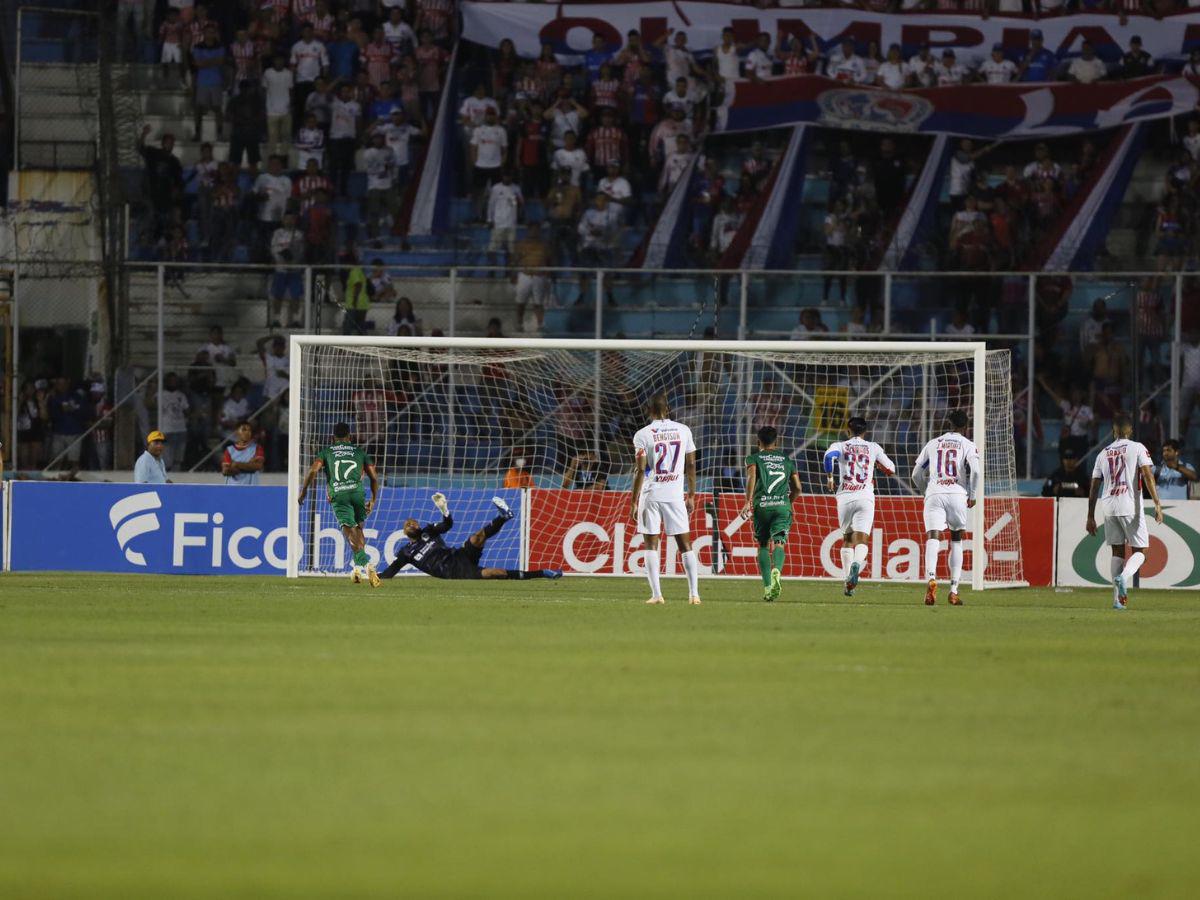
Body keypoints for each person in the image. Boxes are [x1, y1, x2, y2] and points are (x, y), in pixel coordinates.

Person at [379, 493, 561, 581]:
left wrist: (444, 509)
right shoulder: (406, 552)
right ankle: (543, 573)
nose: (411, 524)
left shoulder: (428, 531)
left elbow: (448, 525)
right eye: (408, 524)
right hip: (453, 572)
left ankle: (504, 517)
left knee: (477, 537)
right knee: (496, 573)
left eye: (413, 523)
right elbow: (390, 572)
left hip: (458, 556)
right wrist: (370, 577)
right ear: (405, 532)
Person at [1087, 414, 1165, 609]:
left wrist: (1090, 516)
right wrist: (1157, 503)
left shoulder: (1102, 453)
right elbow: (1147, 474)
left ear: (1114, 431)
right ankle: (1123, 578)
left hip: (1108, 506)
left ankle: (1117, 601)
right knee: (1141, 551)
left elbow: (1094, 486)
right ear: (1130, 430)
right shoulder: (1137, 447)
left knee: (1117, 551)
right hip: (1129, 504)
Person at [630, 394, 700, 606]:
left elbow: (641, 469)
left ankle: (657, 595)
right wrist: (691, 495)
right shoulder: (683, 430)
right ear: (668, 409)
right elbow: (691, 465)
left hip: (651, 495)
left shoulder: (642, 434)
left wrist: (634, 501)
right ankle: (694, 594)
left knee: (651, 544)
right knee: (685, 544)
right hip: (674, 495)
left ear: (648, 411)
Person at [297, 421, 383, 586]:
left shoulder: (326, 452)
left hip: (339, 494)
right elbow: (373, 477)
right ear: (350, 437)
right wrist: (373, 499)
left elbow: (313, 471)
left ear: (332, 438)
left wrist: (304, 491)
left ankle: (366, 564)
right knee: (358, 528)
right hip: (358, 493)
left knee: (350, 532)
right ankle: (357, 569)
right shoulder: (360, 452)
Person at [913, 410, 980, 606]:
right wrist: (973, 495)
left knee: (933, 537)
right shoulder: (968, 444)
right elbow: (975, 471)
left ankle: (932, 579)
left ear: (948, 424)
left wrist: (927, 492)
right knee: (956, 540)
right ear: (965, 427)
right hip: (957, 494)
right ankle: (953, 591)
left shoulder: (933, 443)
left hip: (935, 493)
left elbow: (916, 474)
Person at [823, 417, 896, 598]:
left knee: (847, 539)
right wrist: (878, 466)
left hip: (845, 497)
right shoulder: (873, 447)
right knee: (861, 539)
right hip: (865, 497)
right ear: (865, 432)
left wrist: (830, 477)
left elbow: (828, 457)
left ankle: (848, 583)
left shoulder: (839, 445)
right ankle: (857, 564)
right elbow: (891, 469)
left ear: (848, 431)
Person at [741, 425, 802, 602]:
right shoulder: (786, 459)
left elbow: (752, 477)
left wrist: (748, 501)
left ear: (758, 441)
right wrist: (787, 503)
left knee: (762, 545)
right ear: (776, 441)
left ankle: (768, 587)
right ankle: (778, 571)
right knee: (779, 543)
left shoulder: (753, 458)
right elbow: (798, 488)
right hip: (782, 506)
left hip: (763, 506)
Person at [222, 420, 264, 485]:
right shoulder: (229, 450)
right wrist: (249, 466)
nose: (247, 432)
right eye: (244, 429)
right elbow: (225, 471)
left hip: (251, 490)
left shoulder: (257, 448)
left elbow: (258, 466)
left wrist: (236, 464)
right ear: (236, 432)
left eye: (249, 430)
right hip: (231, 489)